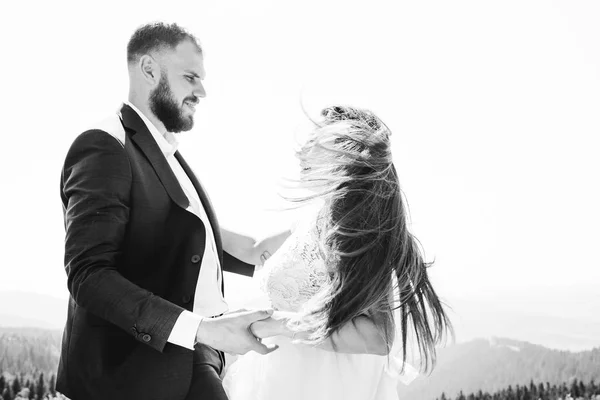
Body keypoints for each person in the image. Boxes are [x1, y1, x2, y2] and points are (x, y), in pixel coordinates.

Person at [57, 22, 281, 400]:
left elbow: (233, 247)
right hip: (137, 374)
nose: (202, 91)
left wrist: (326, 225)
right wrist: (202, 330)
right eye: (190, 77)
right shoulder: (105, 145)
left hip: (194, 361)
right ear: (148, 69)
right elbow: (88, 276)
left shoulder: (169, 156)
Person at [222, 105, 453, 400]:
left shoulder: (360, 232)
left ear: (341, 154)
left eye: (313, 142)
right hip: (278, 377)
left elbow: (378, 337)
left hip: (326, 385)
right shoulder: (313, 218)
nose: (300, 152)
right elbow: (253, 250)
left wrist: (279, 325)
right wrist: (189, 213)